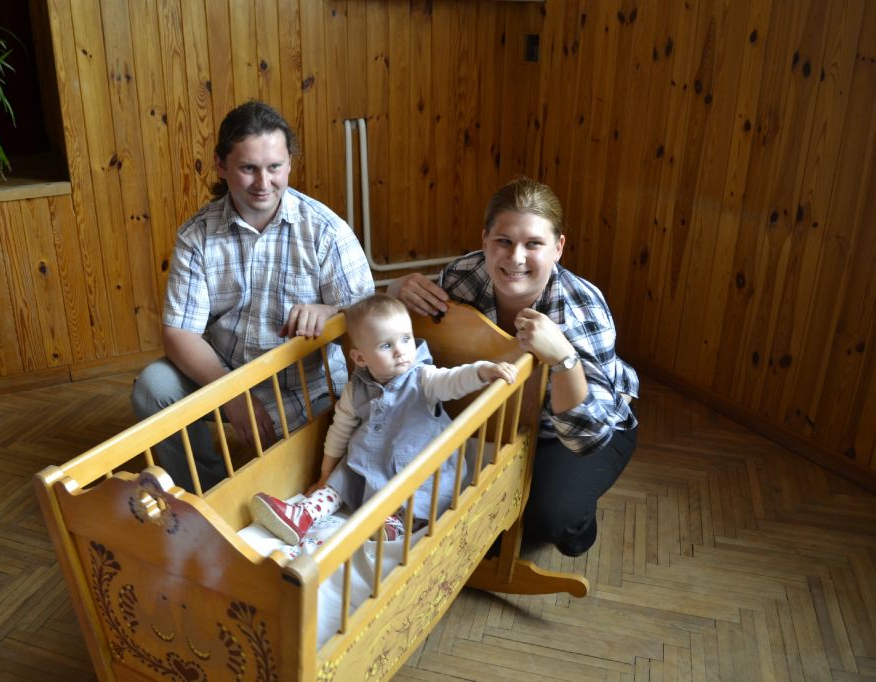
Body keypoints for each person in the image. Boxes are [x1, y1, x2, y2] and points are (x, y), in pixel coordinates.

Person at [131, 101, 374, 492]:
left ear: (289, 163)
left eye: (274, 167)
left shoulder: (326, 230)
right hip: (224, 373)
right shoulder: (196, 236)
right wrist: (233, 393)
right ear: (221, 165)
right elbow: (179, 333)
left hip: (306, 386)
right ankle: (203, 493)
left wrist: (330, 310)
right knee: (154, 387)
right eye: (248, 168)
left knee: (305, 488)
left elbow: (369, 315)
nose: (264, 182)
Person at [387, 178, 638, 557]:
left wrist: (563, 358)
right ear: (485, 240)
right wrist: (393, 295)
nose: (516, 258)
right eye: (504, 241)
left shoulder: (582, 309)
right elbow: (425, 346)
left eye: (533, 244)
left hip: (578, 428)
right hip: (498, 416)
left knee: (554, 516)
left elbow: (586, 438)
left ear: (558, 247)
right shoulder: (461, 277)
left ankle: (577, 523)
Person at [250, 293, 518, 547]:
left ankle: (394, 526)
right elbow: (339, 431)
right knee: (340, 480)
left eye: (406, 339)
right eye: (386, 345)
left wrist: (483, 371)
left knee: (417, 497)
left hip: (417, 468)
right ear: (360, 358)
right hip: (370, 464)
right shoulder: (355, 390)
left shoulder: (423, 379)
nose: (400, 351)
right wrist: (324, 475)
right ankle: (303, 514)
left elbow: (453, 380)